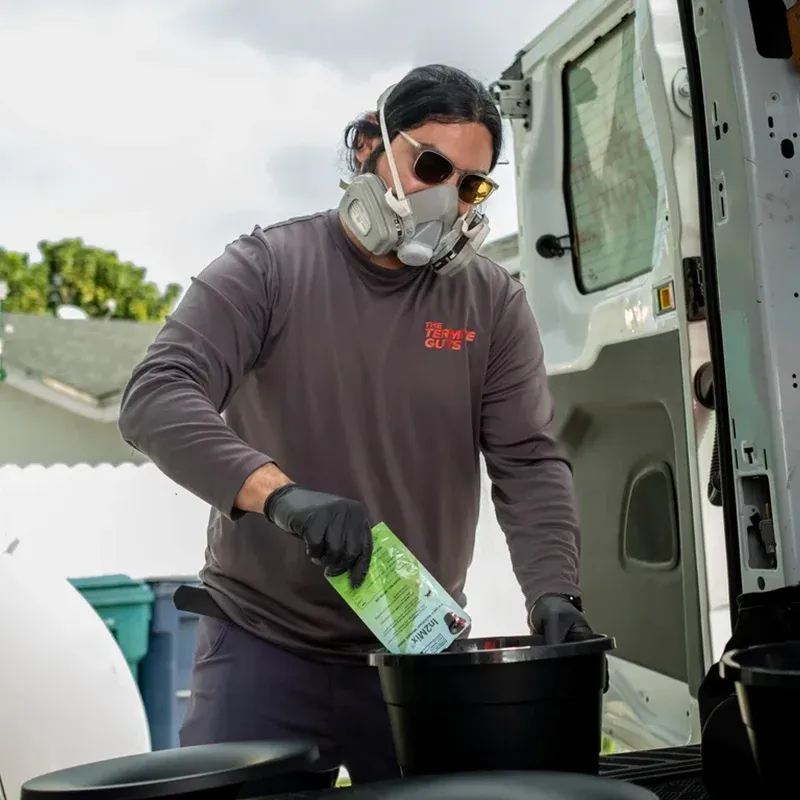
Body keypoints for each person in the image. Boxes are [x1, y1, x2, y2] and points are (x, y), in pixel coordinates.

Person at [118, 63, 595, 791]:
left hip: (414, 654)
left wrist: (555, 592)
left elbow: (527, 462)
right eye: (430, 165)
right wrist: (282, 496)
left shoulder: (491, 303)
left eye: (470, 184)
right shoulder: (270, 267)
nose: (447, 196)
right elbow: (156, 395)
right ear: (371, 148)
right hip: (262, 646)